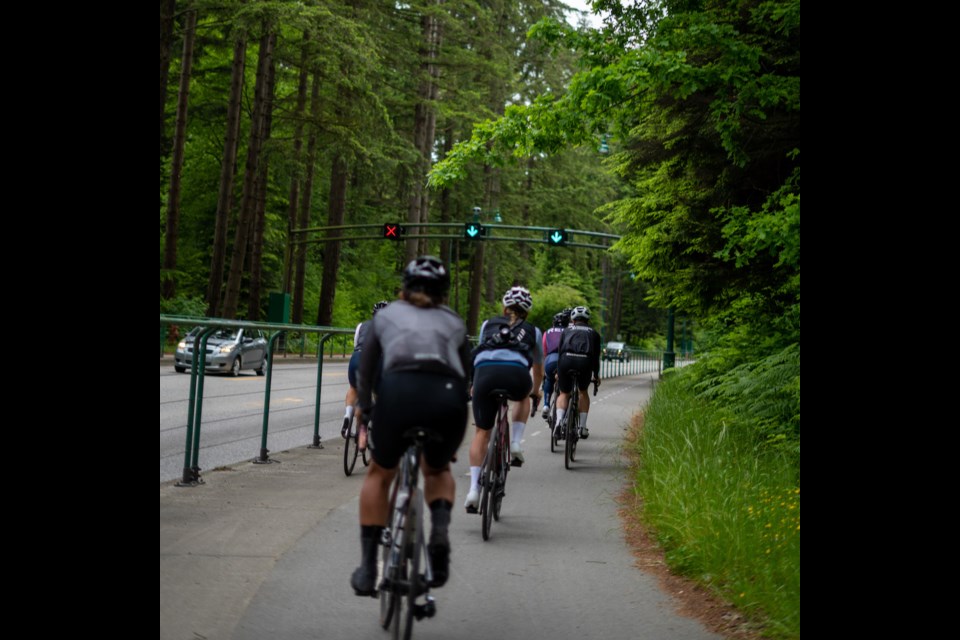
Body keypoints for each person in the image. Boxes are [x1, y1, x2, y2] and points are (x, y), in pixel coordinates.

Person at [350, 256, 472, 596]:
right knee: (437, 470)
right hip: (447, 400)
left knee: (380, 473)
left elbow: (367, 371)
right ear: (444, 293)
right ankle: (440, 533)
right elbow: (466, 377)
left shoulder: (385, 316)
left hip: (399, 394)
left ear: (404, 288)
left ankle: (367, 567)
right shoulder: (454, 321)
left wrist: (366, 408)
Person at [464, 286, 544, 512]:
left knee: (482, 432)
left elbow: (479, 353)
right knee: (524, 396)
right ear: (527, 311)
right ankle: (516, 442)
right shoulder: (533, 331)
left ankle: (472, 490)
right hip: (516, 375)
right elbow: (538, 370)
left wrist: (473, 385)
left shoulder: (487, 325)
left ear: (504, 306)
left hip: (485, 375)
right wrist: (535, 392)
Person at [342, 300, 390, 450]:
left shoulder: (361, 326)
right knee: (377, 394)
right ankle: (364, 433)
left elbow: (356, 343)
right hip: (375, 360)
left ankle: (347, 415)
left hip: (357, 357)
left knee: (354, 388)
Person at [554, 305, 601, 440]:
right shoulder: (594, 333)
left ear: (573, 320)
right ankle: (583, 427)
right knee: (583, 392)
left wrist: (558, 371)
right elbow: (596, 357)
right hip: (585, 362)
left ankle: (558, 423)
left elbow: (560, 352)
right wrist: (596, 375)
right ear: (588, 320)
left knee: (564, 393)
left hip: (566, 360)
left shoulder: (566, 330)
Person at [540, 308, 571, 419]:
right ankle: (565, 412)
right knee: (567, 386)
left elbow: (544, 350)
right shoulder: (569, 331)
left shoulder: (547, 332)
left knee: (549, 379)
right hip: (565, 361)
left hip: (550, 359)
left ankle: (546, 405)